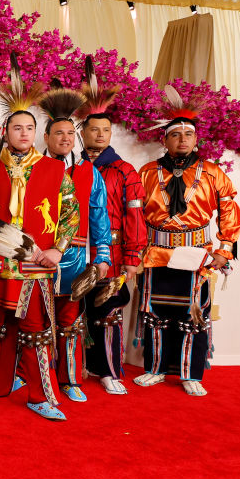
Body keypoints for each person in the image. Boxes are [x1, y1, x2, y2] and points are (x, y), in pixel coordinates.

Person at [0, 55, 79, 421]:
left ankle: (39, 394)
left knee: (35, 330)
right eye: (16, 128)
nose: (23, 134)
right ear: (5, 131)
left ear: (36, 134)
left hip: (34, 264)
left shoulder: (54, 169)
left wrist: (56, 249)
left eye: (29, 129)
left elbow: (70, 214)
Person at [134, 88, 240, 395]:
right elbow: (135, 215)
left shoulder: (211, 173)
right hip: (155, 252)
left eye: (188, 134)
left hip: (197, 253)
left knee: (194, 312)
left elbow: (230, 212)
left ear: (197, 139)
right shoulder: (147, 173)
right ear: (164, 139)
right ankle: (154, 368)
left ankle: (190, 373)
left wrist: (224, 250)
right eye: (175, 134)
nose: (182, 139)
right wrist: (134, 250)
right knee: (155, 311)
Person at [77, 57, 147, 394]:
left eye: (106, 130)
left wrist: (133, 258)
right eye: (95, 130)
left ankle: (108, 370)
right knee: (75, 309)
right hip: (76, 252)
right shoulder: (69, 168)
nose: (101, 135)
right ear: (83, 132)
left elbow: (136, 217)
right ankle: (79, 366)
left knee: (107, 311)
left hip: (115, 253)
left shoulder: (125, 171)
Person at [39, 86, 111, 403]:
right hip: (37, 259)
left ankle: (69, 379)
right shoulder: (30, 169)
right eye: (59, 133)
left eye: (70, 133)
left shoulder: (89, 173)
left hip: (76, 258)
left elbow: (100, 218)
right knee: (36, 322)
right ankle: (37, 380)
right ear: (46, 137)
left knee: (69, 321)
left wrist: (103, 257)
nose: (65, 139)